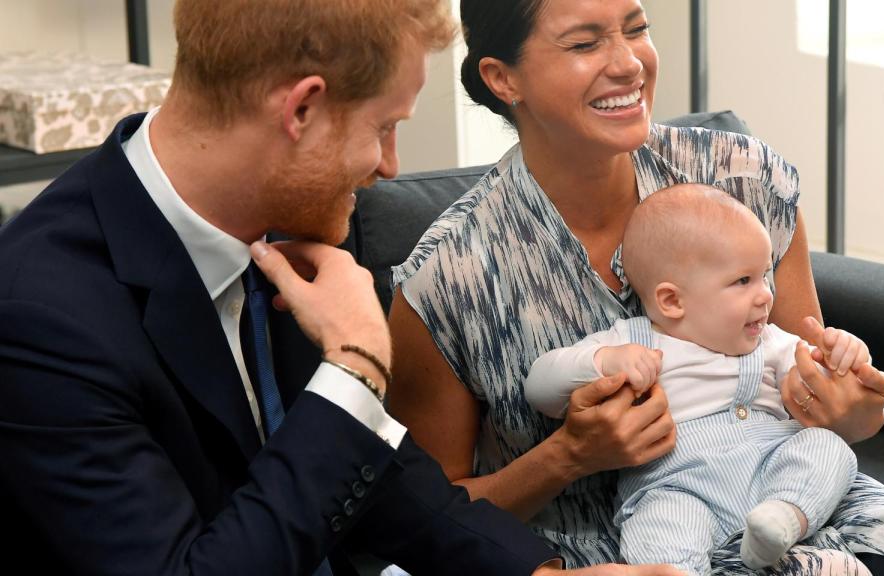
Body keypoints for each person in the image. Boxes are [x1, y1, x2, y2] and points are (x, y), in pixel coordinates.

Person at [0, 1, 684, 575]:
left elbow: (386, 480)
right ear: (302, 110)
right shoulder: (42, 315)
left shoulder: (299, 216)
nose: (389, 168)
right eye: (385, 130)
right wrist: (353, 371)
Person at [387, 0, 884, 574]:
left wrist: (851, 410)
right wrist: (568, 455)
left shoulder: (743, 180)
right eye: (585, 42)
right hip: (625, 548)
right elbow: (426, 521)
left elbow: (816, 394)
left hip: (795, 506)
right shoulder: (448, 278)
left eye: (636, 28)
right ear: (502, 77)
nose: (629, 63)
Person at [525, 184, 874, 574]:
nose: (765, 297)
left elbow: (821, 381)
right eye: (743, 281)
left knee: (827, 446)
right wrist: (602, 361)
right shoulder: (631, 341)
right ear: (672, 301)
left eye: (764, 276)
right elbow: (539, 387)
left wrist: (844, 354)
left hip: (770, 471)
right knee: (660, 523)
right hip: (678, 487)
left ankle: (784, 519)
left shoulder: (769, 342)